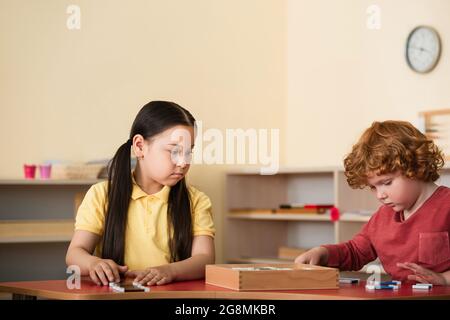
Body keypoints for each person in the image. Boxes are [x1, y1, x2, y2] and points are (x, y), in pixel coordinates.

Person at [66, 101, 215, 286]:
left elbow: (204, 259)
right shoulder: (101, 195)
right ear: (139, 146)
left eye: (188, 152)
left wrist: (170, 271)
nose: (183, 162)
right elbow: (75, 253)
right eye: (175, 151)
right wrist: (94, 263)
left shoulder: (196, 201)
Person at [295, 120, 450, 285]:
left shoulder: (446, 205)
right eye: (373, 187)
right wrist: (324, 253)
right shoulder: (383, 216)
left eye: (387, 182)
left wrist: (444, 279)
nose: (380, 195)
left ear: (415, 167)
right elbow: (355, 251)